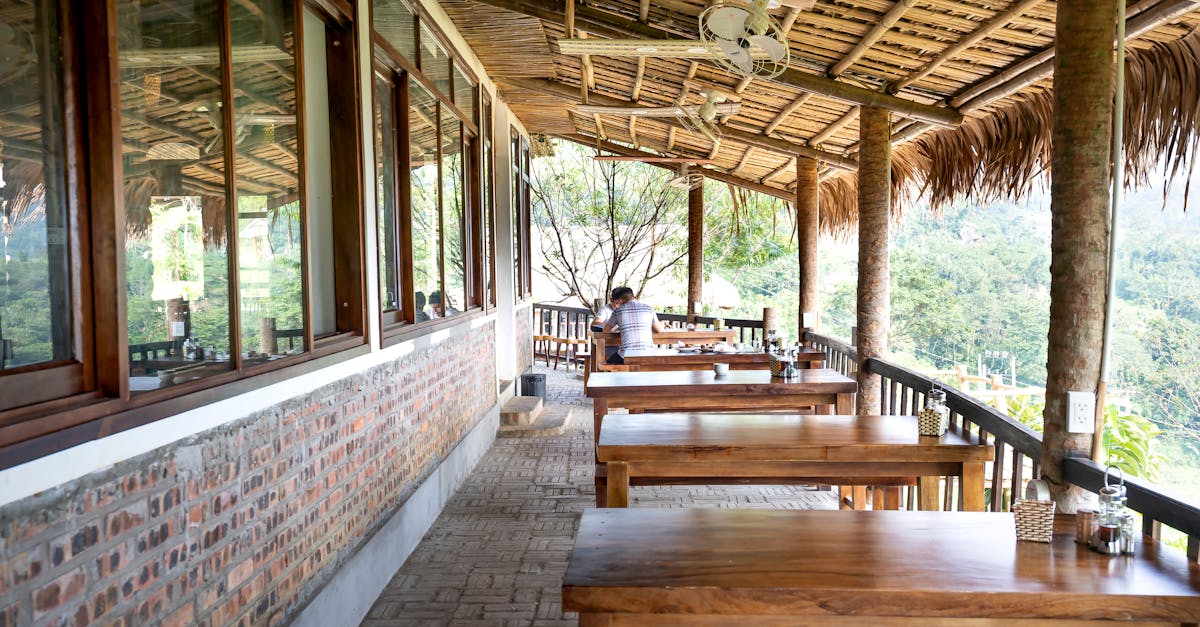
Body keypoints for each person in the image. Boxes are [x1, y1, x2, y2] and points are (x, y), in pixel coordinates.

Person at [602, 287, 665, 365]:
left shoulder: (618, 311)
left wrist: (620, 327)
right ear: (633, 296)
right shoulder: (649, 309)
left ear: (621, 300)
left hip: (626, 356)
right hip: (648, 353)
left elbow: (605, 330)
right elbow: (659, 330)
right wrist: (662, 324)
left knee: (608, 362)